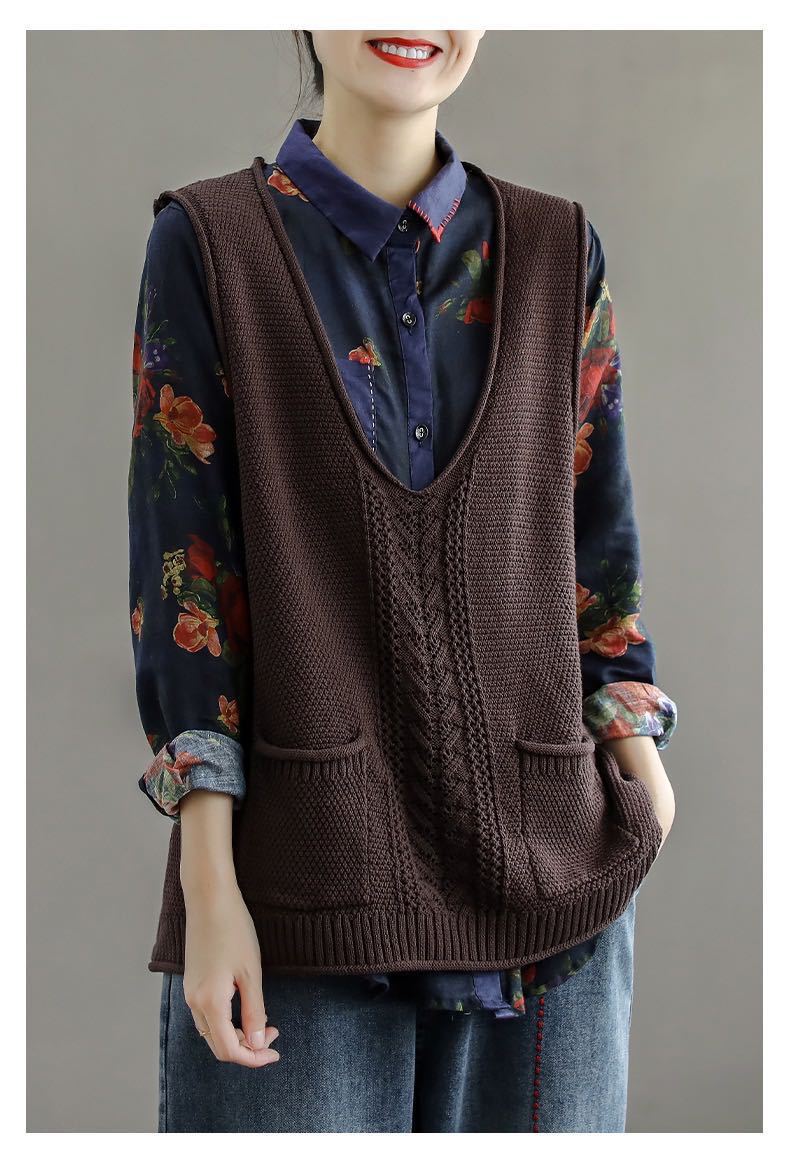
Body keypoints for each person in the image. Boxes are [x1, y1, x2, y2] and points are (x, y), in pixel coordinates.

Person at [128, 30, 678, 1133]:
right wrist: (208, 882)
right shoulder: (209, 242)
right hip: (299, 890)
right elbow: (186, 583)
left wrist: (639, 769)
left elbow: (596, 539)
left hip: (552, 896)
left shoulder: (557, 247)